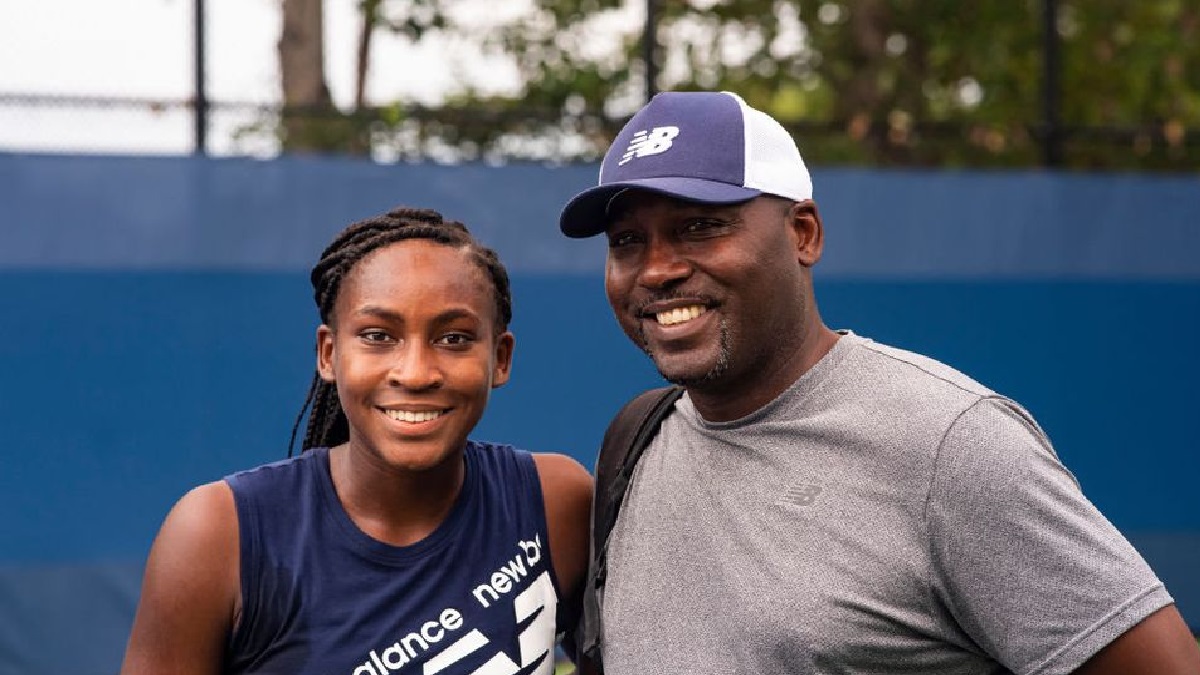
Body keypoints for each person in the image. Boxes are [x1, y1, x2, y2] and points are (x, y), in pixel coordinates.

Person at [558, 91, 1200, 674]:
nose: (657, 269)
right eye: (627, 242)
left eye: (700, 226)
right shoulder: (635, 441)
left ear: (802, 234)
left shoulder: (951, 445)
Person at [120, 206, 593, 675]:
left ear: (501, 358)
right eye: (377, 335)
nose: (415, 373)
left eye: (453, 338)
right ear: (329, 355)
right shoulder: (217, 534)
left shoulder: (555, 503)